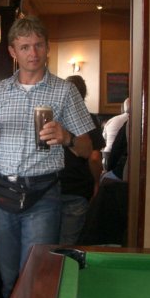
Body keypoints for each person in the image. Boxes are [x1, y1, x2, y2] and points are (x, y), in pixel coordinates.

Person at [0, 16, 96, 298]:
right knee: (9, 278)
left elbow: (86, 149)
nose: (33, 53)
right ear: (13, 51)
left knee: (33, 276)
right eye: (24, 47)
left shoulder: (65, 91)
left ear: (47, 48)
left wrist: (66, 137)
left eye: (38, 45)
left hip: (43, 195)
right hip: (2, 193)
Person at [58, 75, 105, 245]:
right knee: (68, 244)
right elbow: (94, 157)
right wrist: (97, 183)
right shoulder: (88, 119)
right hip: (78, 188)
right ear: (84, 95)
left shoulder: (53, 117)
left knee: (46, 243)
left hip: (51, 188)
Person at [101, 97, 129, 170]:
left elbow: (104, 137)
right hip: (122, 158)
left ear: (124, 108)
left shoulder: (112, 120)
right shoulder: (133, 119)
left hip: (107, 155)